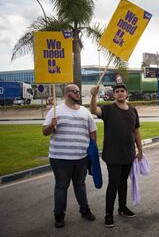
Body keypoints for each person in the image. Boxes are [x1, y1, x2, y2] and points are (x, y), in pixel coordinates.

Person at [42, 84, 96, 228]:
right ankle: (59, 215)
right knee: (61, 187)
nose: (78, 93)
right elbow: (45, 132)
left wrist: (93, 149)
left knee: (80, 185)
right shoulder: (55, 111)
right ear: (67, 93)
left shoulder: (85, 112)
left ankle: (85, 210)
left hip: (81, 158)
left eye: (78, 91)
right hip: (60, 158)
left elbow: (92, 131)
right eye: (75, 91)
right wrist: (51, 126)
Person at [90, 84, 143, 228]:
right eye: (117, 92)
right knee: (113, 184)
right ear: (114, 95)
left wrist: (140, 150)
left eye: (122, 91)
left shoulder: (133, 111)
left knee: (123, 182)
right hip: (113, 154)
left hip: (128, 154)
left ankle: (122, 207)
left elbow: (136, 132)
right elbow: (94, 110)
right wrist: (94, 95)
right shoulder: (108, 109)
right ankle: (108, 214)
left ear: (127, 94)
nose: (119, 93)